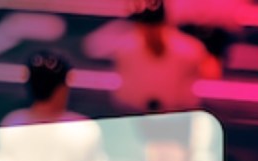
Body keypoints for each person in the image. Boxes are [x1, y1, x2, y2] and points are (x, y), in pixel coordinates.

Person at [87, 0, 216, 115]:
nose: (150, 31)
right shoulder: (125, 48)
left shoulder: (189, 50)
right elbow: (91, 46)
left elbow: (210, 72)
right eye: (145, 25)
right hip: (135, 115)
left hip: (177, 118)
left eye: (154, 25)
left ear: (164, 23)